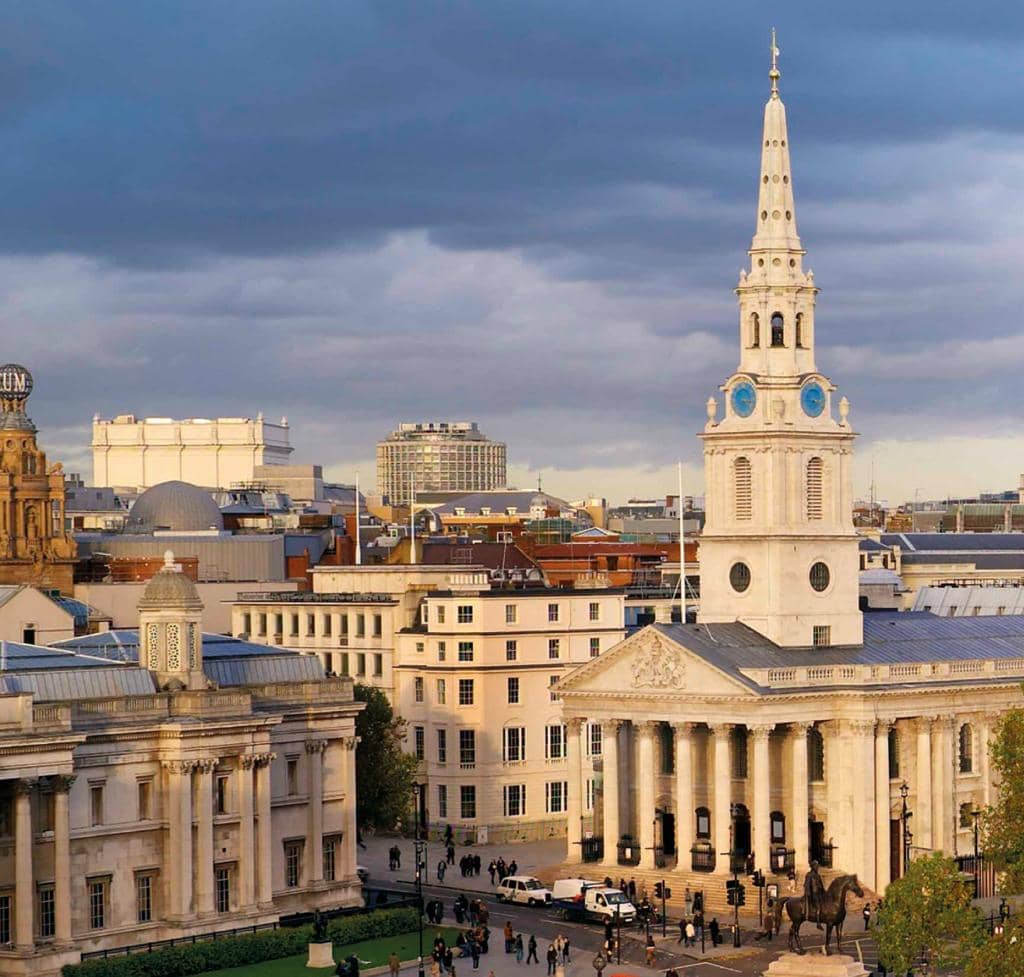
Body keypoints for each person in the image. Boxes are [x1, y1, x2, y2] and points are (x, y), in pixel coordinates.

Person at [803, 861, 826, 931]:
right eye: (816, 866)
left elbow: (821, 885)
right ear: (813, 867)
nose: (817, 868)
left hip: (819, 893)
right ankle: (818, 923)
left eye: (818, 866)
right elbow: (807, 885)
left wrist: (825, 892)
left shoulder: (818, 875)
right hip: (813, 894)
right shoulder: (809, 875)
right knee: (818, 907)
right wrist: (808, 894)